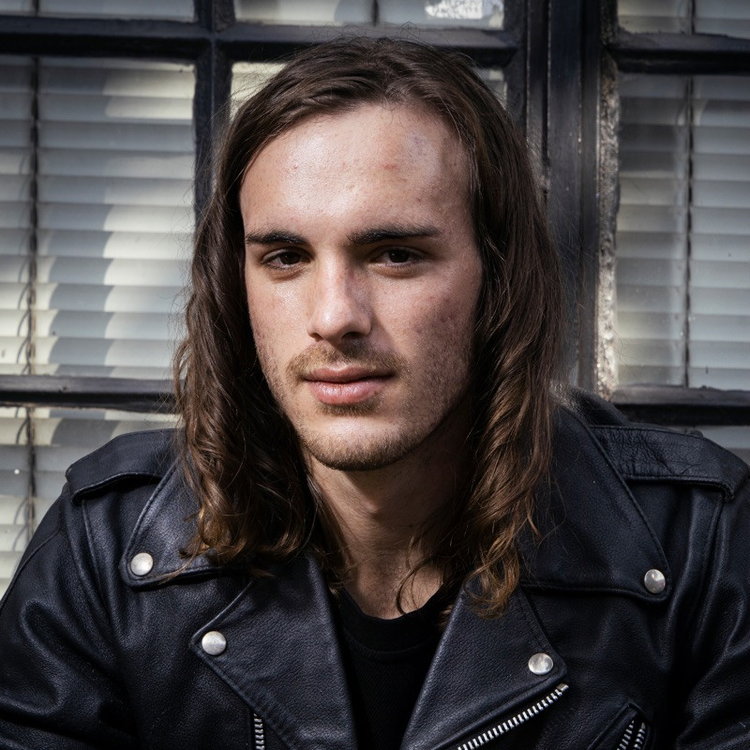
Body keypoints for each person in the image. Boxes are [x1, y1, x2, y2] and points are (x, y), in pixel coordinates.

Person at [0, 37, 749, 750]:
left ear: (497, 277)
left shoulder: (697, 543)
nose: (334, 318)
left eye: (395, 254)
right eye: (285, 257)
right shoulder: (109, 545)